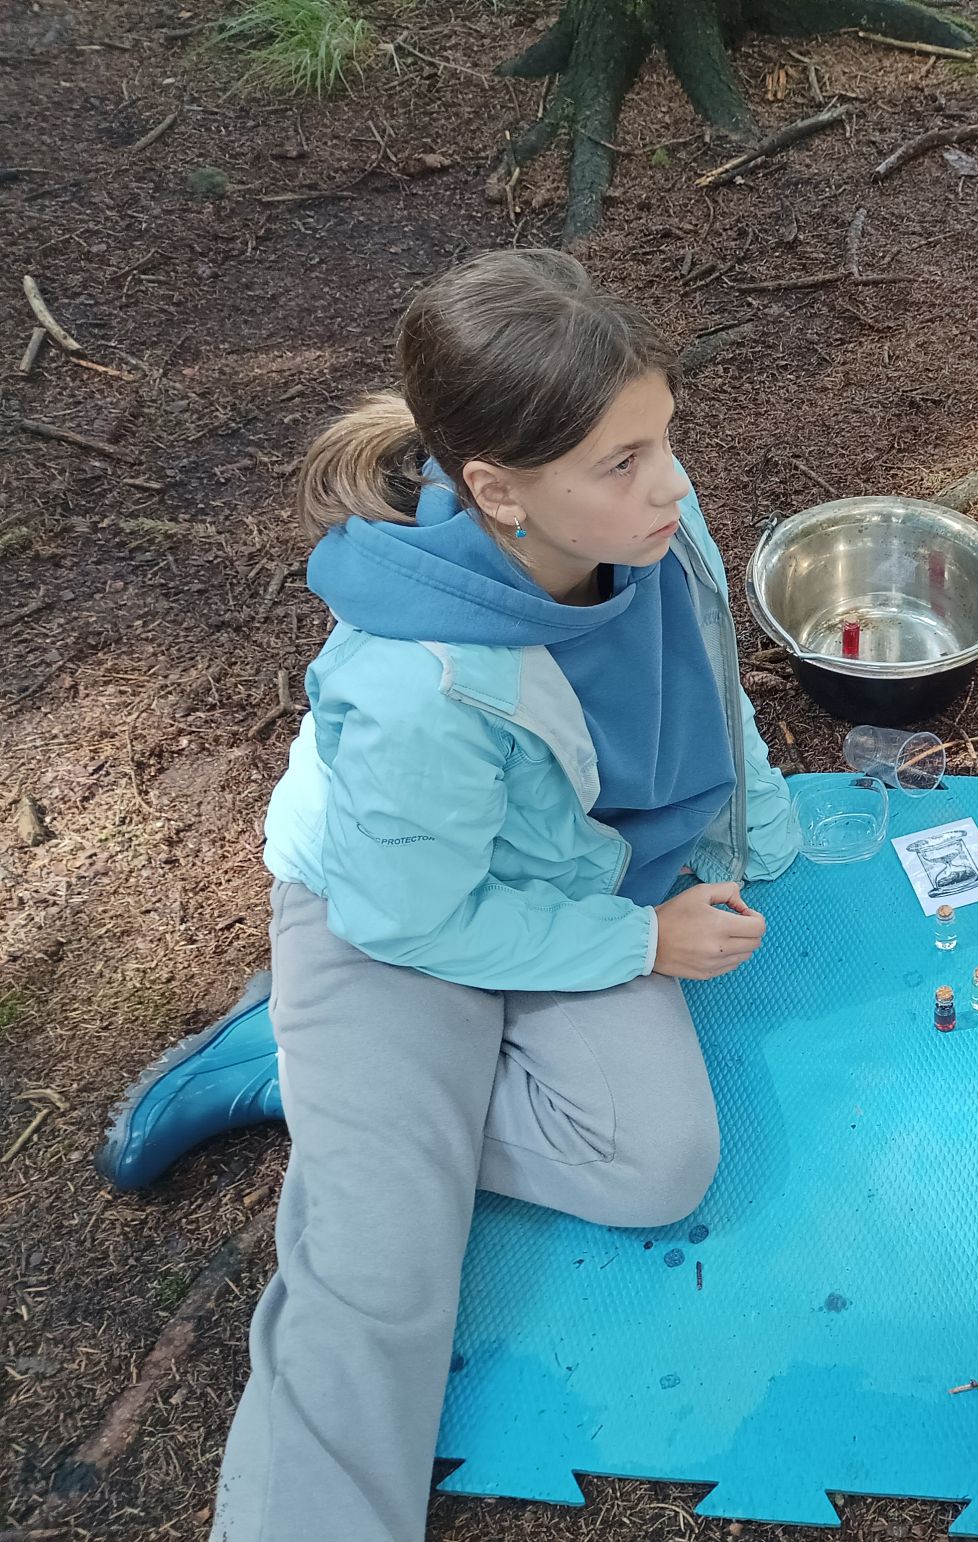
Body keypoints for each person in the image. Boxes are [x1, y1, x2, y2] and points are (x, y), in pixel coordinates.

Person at [92, 248, 798, 1540]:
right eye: (624, 461)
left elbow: (710, 680)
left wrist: (760, 828)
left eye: (665, 437)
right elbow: (413, 917)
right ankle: (315, 1066)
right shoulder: (415, 686)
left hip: (570, 878)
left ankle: (316, 1081)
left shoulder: (652, 527)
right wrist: (641, 939)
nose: (674, 484)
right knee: (382, 1269)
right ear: (497, 490)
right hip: (393, 920)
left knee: (658, 1162)